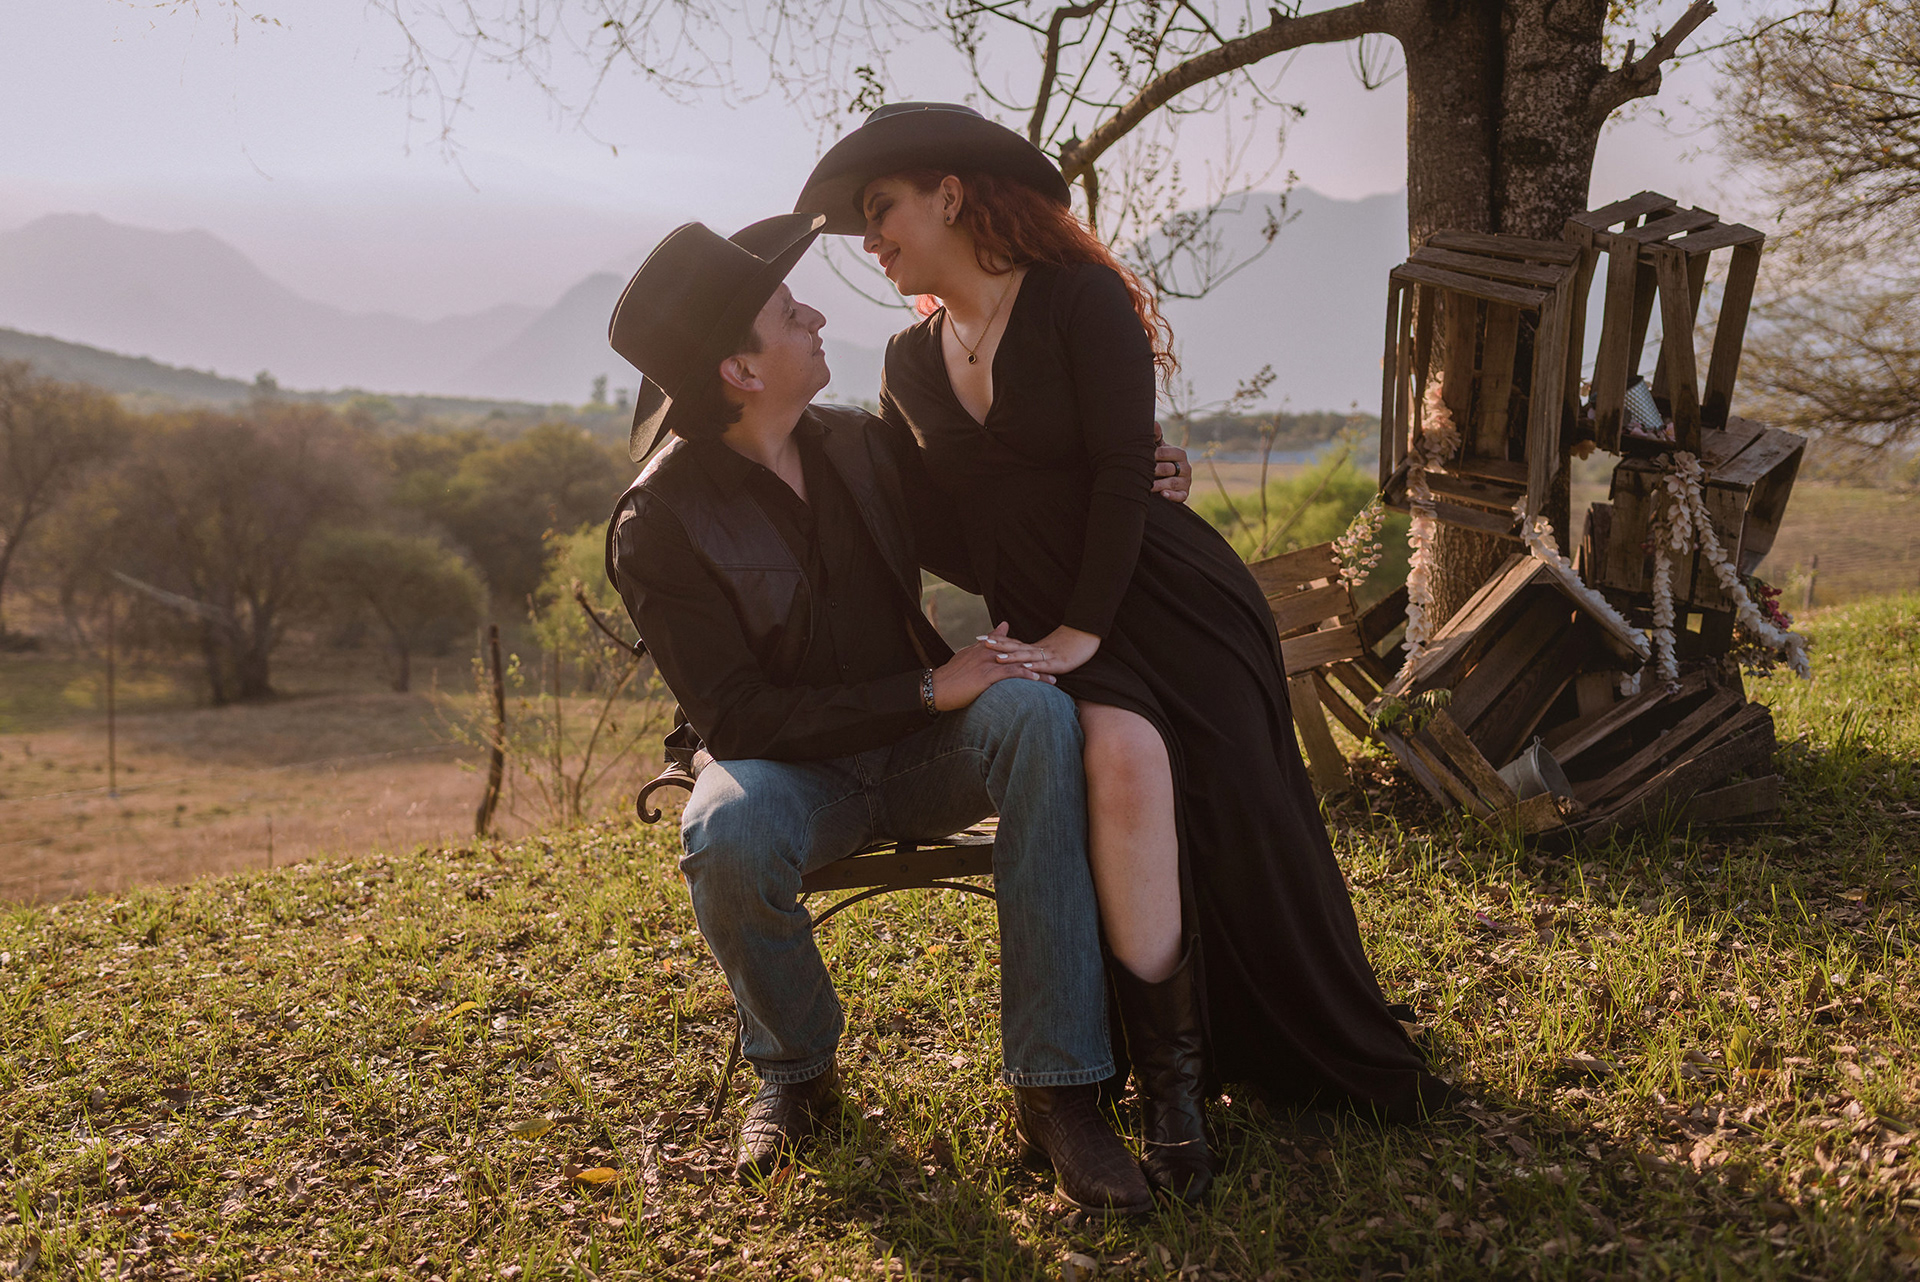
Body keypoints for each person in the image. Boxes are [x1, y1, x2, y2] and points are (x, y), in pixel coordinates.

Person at [794, 102, 1453, 1203]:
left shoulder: (1078, 298)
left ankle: (1217, 1075)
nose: (871, 240)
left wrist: (1078, 631)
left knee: (1241, 820)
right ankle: (1165, 1084)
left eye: (882, 208)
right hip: (1054, 628)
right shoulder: (908, 362)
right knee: (1126, 766)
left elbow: (1117, 474)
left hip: (1170, 605)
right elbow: (949, 528)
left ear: (950, 195)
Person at [600, 211, 1193, 1212]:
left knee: (1037, 717)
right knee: (726, 827)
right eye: (789, 313)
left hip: (923, 755)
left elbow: (989, 533)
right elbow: (737, 721)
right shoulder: (655, 522)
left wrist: (1132, 477)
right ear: (740, 371)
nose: (816, 316)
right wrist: (924, 687)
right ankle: (798, 1073)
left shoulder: (864, 444)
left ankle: (1058, 1091)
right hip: (789, 775)